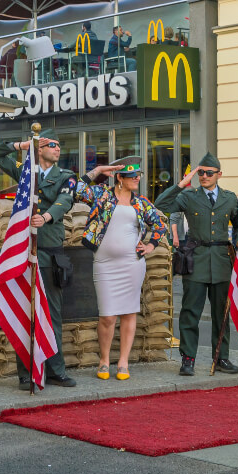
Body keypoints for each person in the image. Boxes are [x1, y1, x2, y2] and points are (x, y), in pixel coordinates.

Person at [0, 128, 78, 390]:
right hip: (25, 253)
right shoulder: (26, 172)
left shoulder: (66, 176)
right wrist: (22, 144)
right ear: (39, 149)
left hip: (50, 253)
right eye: (51, 145)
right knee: (26, 315)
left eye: (59, 145)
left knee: (52, 315)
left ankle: (55, 370)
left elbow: (65, 200)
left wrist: (47, 216)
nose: (57, 149)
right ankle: (26, 372)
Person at [75, 157, 167, 381]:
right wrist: (97, 170)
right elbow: (75, 189)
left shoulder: (141, 203)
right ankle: (104, 360)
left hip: (132, 264)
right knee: (107, 316)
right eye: (131, 175)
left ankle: (123, 361)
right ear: (119, 177)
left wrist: (151, 245)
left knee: (128, 312)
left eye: (138, 174)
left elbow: (160, 224)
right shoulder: (102, 195)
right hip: (105, 264)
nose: (137, 178)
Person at [155, 152, 238, 376]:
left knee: (221, 313)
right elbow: (160, 203)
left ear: (219, 175)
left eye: (209, 173)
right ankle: (188, 359)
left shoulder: (230, 198)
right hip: (196, 260)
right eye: (201, 172)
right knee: (190, 312)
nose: (203, 176)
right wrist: (181, 184)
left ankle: (221, 357)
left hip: (222, 261)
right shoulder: (189, 196)